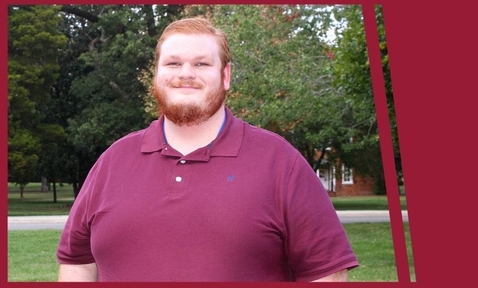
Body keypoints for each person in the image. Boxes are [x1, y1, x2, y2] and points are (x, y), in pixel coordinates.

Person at [56, 16, 359, 282]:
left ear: (225, 76)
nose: (185, 73)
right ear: (156, 75)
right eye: (173, 63)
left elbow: (327, 272)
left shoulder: (279, 162)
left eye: (201, 63)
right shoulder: (114, 161)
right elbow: (77, 260)